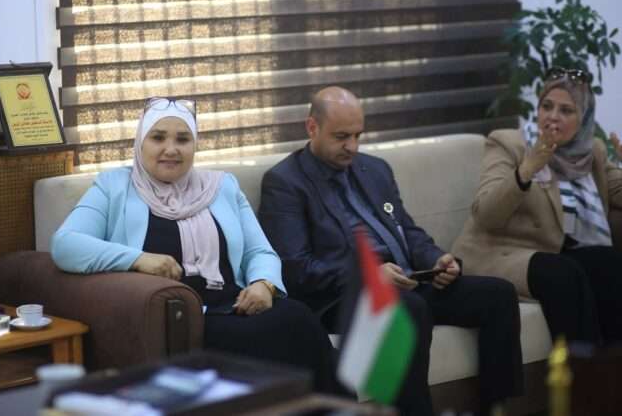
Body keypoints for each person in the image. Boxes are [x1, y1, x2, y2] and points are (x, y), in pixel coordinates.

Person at [258, 86, 523, 416]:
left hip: (405, 280)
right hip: (341, 296)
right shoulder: (285, 182)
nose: (352, 146)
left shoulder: (374, 169)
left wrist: (436, 259)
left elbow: (407, 231)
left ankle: (497, 408)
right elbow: (296, 268)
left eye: (358, 135)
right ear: (312, 127)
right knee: (408, 309)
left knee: (498, 295)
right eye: (341, 137)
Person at [51, 97, 342, 393]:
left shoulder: (221, 186)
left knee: (299, 319)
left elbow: (259, 251)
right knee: (274, 334)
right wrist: (137, 258)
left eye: (183, 139)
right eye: (158, 138)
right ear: (140, 142)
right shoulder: (113, 187)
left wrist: (264, 284)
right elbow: (66, 245)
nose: (171, 149)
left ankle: (331, 407)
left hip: (238, 304)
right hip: (182, 320)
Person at [453, 67, 622, 346]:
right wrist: (526, 170)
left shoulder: (592, 152)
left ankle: (610, 366)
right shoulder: (508, 144)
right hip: (502, 252)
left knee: (608, 263)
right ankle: (575, 367)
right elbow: (486, 215)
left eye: (566, 110)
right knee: (562, 274)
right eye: (547, 106)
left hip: (558, 253)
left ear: (583, 118)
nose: (553, 116)